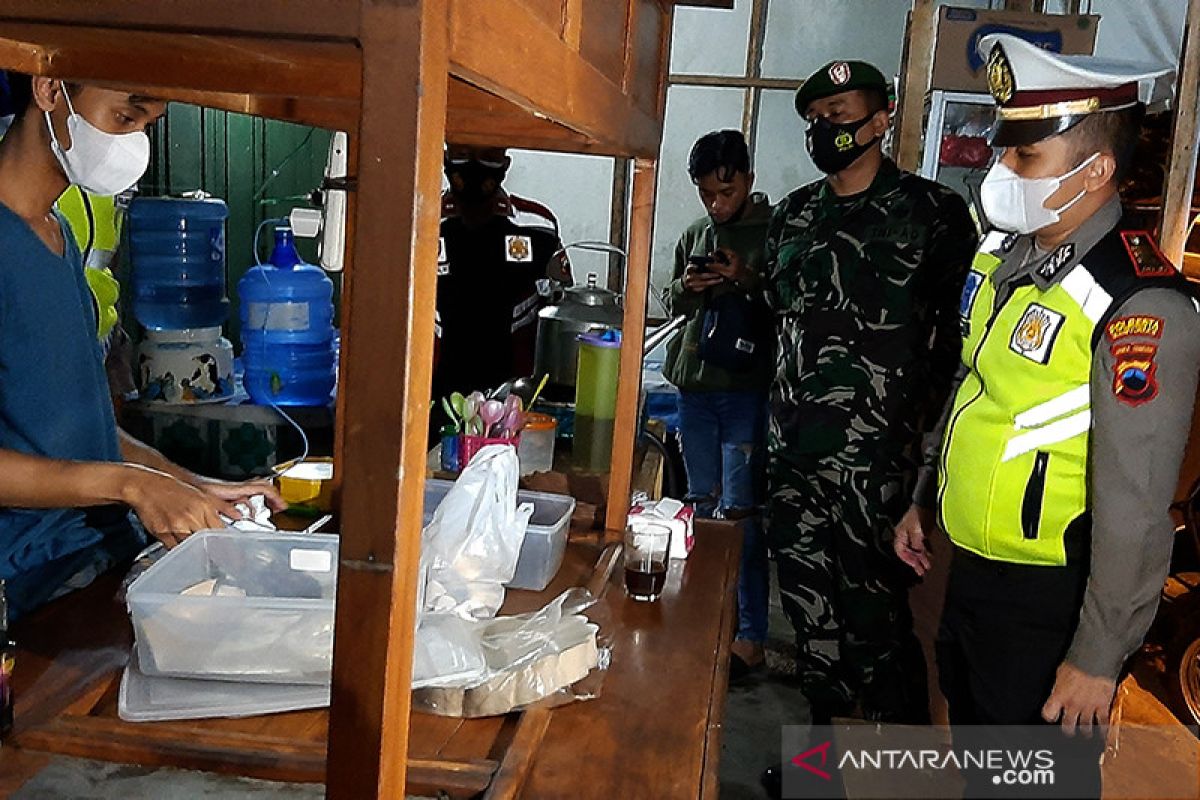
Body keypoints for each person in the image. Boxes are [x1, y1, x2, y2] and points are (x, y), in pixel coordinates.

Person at [894, 35, 1200, 797]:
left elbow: (1136, 509)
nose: (1002, 171)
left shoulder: (1140, 303)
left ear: (1095, 170)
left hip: (1053, 603)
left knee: (1037, 785)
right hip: (976, 578)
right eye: (1006, 153)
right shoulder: (1007, 258)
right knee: (983, 768)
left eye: (1025, 158)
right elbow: (975, 389)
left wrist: (1099, 654)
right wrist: (923, 498)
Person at [0, 74, 284, 620]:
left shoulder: (61, 236)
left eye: (147, 126)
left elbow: (80, 431)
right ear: (50, 90)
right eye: (125, 119)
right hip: (29, 583)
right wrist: (131, 486)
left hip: (97, 558)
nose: (132, 145)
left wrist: (189, 485)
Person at [761, 59, 979, 736]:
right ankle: (826, 765)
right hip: (794, 461)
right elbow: (781, 326)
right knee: (810, 625)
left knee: (876, 630)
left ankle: (896, 774)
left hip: (876, 470)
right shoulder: (793, 215)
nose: (826, 129)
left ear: (881, 119)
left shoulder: (933, 214)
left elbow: (956, 349)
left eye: (840, 114)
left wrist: (924, 470)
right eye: (815, 119)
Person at [663, 130, 773, 677]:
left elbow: (790, 304)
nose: (717, 204)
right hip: (695, 390)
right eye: (707, 194)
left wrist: (745, 278)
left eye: (726, 192)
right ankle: (704, 623)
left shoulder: (774, 233)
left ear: (748, 181)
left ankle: (750, 635)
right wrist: (690, 286)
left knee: (741, 516)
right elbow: (672, 301)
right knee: (699, 509)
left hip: (745, 392)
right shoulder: (695, 234)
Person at [432, 145, 571, 403]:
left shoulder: (537, 228)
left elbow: (563, 315)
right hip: (431, 396)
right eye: (461, 154)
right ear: (445, 158)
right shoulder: (421, 222)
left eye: (488, 157)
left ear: (506, 164)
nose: (474, 167)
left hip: (514, 400)